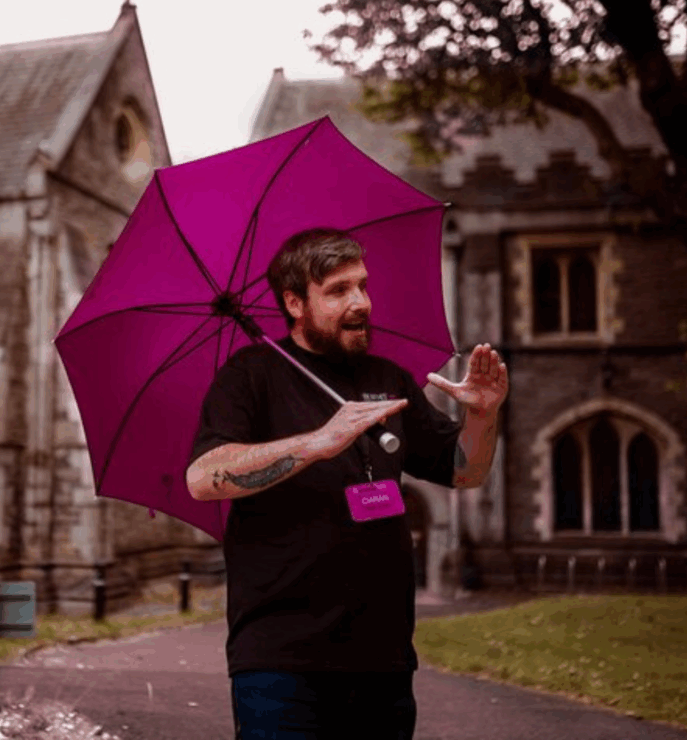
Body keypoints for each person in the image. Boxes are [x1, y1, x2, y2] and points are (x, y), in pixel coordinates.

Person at [186, 228, 508, 739]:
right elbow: (204, 479)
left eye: (361, 285)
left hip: (383, 660)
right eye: (337, 291)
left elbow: (464, 471)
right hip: (281, 663)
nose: (359, 302)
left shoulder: (389, 377)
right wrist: (317, 442)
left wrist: (483, 417)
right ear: (294, 302)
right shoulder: (249, 376)